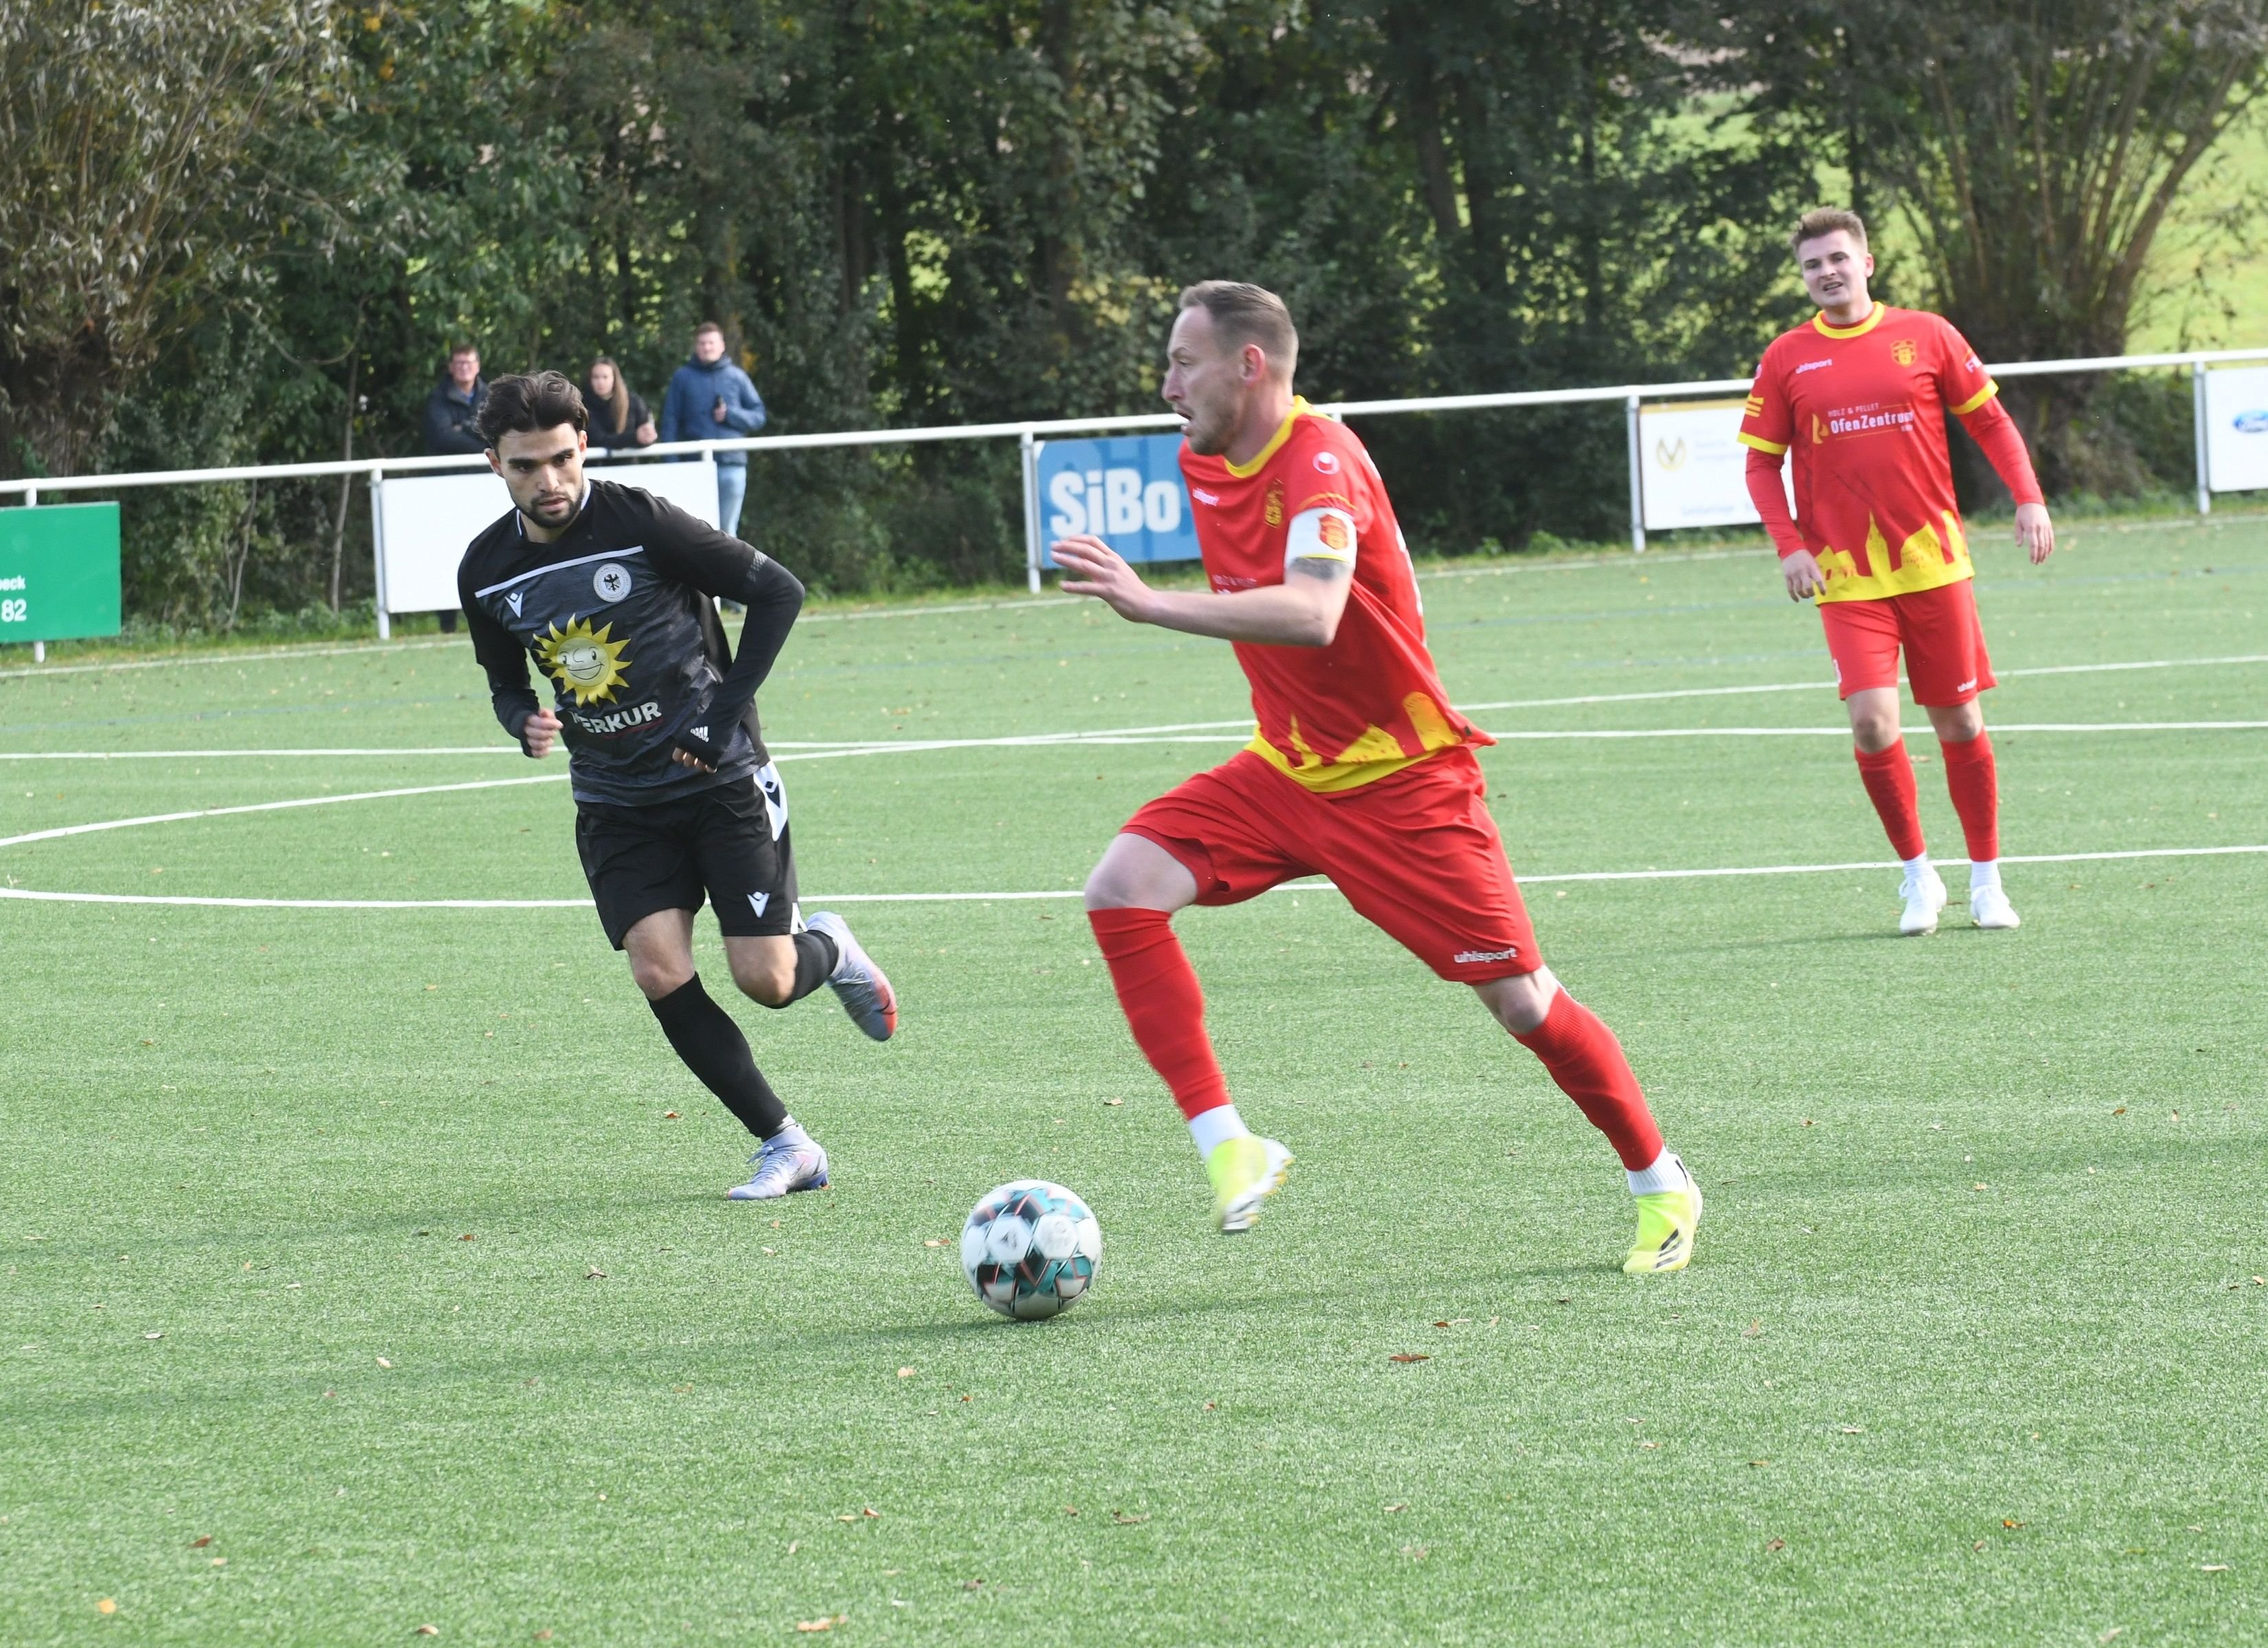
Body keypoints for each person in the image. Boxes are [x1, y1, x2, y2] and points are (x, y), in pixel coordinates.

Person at [1051, 282, 1699, 1274]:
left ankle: (1661, 1183)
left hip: (1403, 786)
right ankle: (1229, 1141)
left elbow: (1314, 612)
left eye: (1185, 361)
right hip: (1285, 771)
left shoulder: (1321, 462)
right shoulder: (1204, 455)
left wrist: (1149, 603)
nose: (1167, 382)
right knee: (1121, 889)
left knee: (1523, 1002)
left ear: (1249, 364)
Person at [457, 370, 897, 1200]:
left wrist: (717, 719)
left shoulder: (641, 520)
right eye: (526, 467)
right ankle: (787, 1143)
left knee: (765, 980)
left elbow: (777, 591)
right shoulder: (484, 569)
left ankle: (829, 945)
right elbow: (505, 681)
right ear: (495, 465)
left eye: (561, 459)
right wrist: (522, 722)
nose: (548, 482)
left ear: (583, 444)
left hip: (719, 779)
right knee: (658, 969)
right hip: (615, 800)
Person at [1740, 208, 2055, 935]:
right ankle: (1918, 876)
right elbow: (1760, 462)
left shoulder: (1928, 334)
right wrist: (1789, 544)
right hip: (1845, 579)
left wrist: (2028, 499)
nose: (1826, 272)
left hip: (1933, 565)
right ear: (1804, 277)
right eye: (1813, 264)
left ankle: (1986, 880)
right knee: (1872, 722)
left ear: (1867, 262)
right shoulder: (1787, 356)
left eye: (1837, 259)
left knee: (1958, 718)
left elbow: (1989, 421)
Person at [659, 321, 767, 540]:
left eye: (711, 343)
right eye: (702, 343)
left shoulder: (737, 377)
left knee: (728, 533)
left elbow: (759, 416)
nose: (707, 347)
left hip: (731, 465)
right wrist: (671, 463)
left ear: (722, 346)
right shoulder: (682, 377)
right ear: (696, 347)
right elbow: (670, 421)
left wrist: (731, 415)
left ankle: (730, 574)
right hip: (694, 466)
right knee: (696, 531)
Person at [422, 343, 489, 633]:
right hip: (447, 486)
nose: (464, 367)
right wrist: (480, 439)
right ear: (451, 367)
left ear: (478, 365)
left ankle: (489, 614)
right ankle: (447, 621)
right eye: (459, 363)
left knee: (488, 546)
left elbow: (497, 431)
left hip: (484, 483)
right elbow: (442, 437)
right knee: (446, 549)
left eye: (469, 362)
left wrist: (464, 430)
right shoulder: (437, 398)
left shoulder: (491, 397)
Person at [583, 356, 657, 451]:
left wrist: (647, 436)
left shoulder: (633, 402)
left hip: (629, 464)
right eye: (596, 377)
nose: (600, 382)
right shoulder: (583, 405)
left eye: (605, 377)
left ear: (614, 379)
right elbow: (598, 439)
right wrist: (634, 438)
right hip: (596, 464)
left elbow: (647, 436)